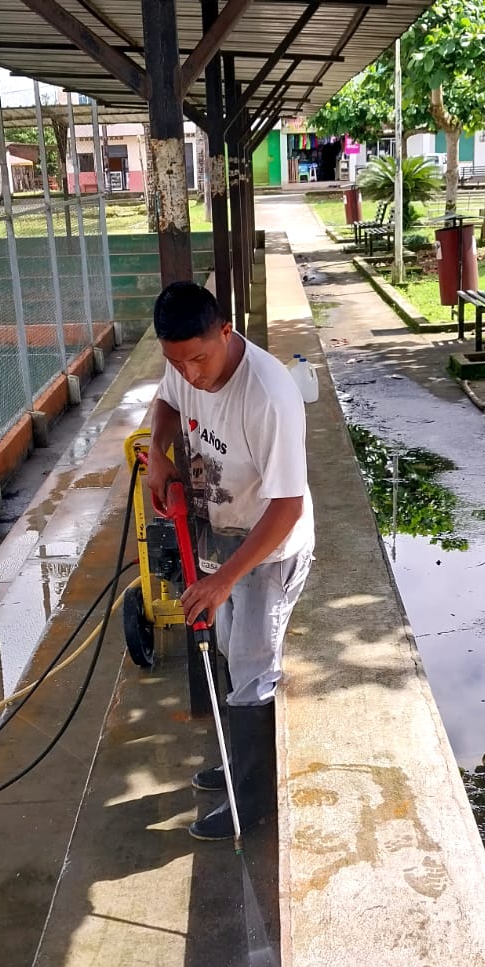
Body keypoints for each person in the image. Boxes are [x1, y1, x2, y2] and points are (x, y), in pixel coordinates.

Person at [146, 280, 314, 841]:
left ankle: (253, 803)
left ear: (226, 331)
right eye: (177, 361)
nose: (190, 373)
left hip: (270, 546)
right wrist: (157, 453)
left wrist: (222, 581)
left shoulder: (268, 396)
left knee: (252, 668)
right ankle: (239, 761)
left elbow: (287, 507)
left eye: (198, 359)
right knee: (225, 648)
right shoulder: (184, 364)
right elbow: (168, 400)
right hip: (223, 534)